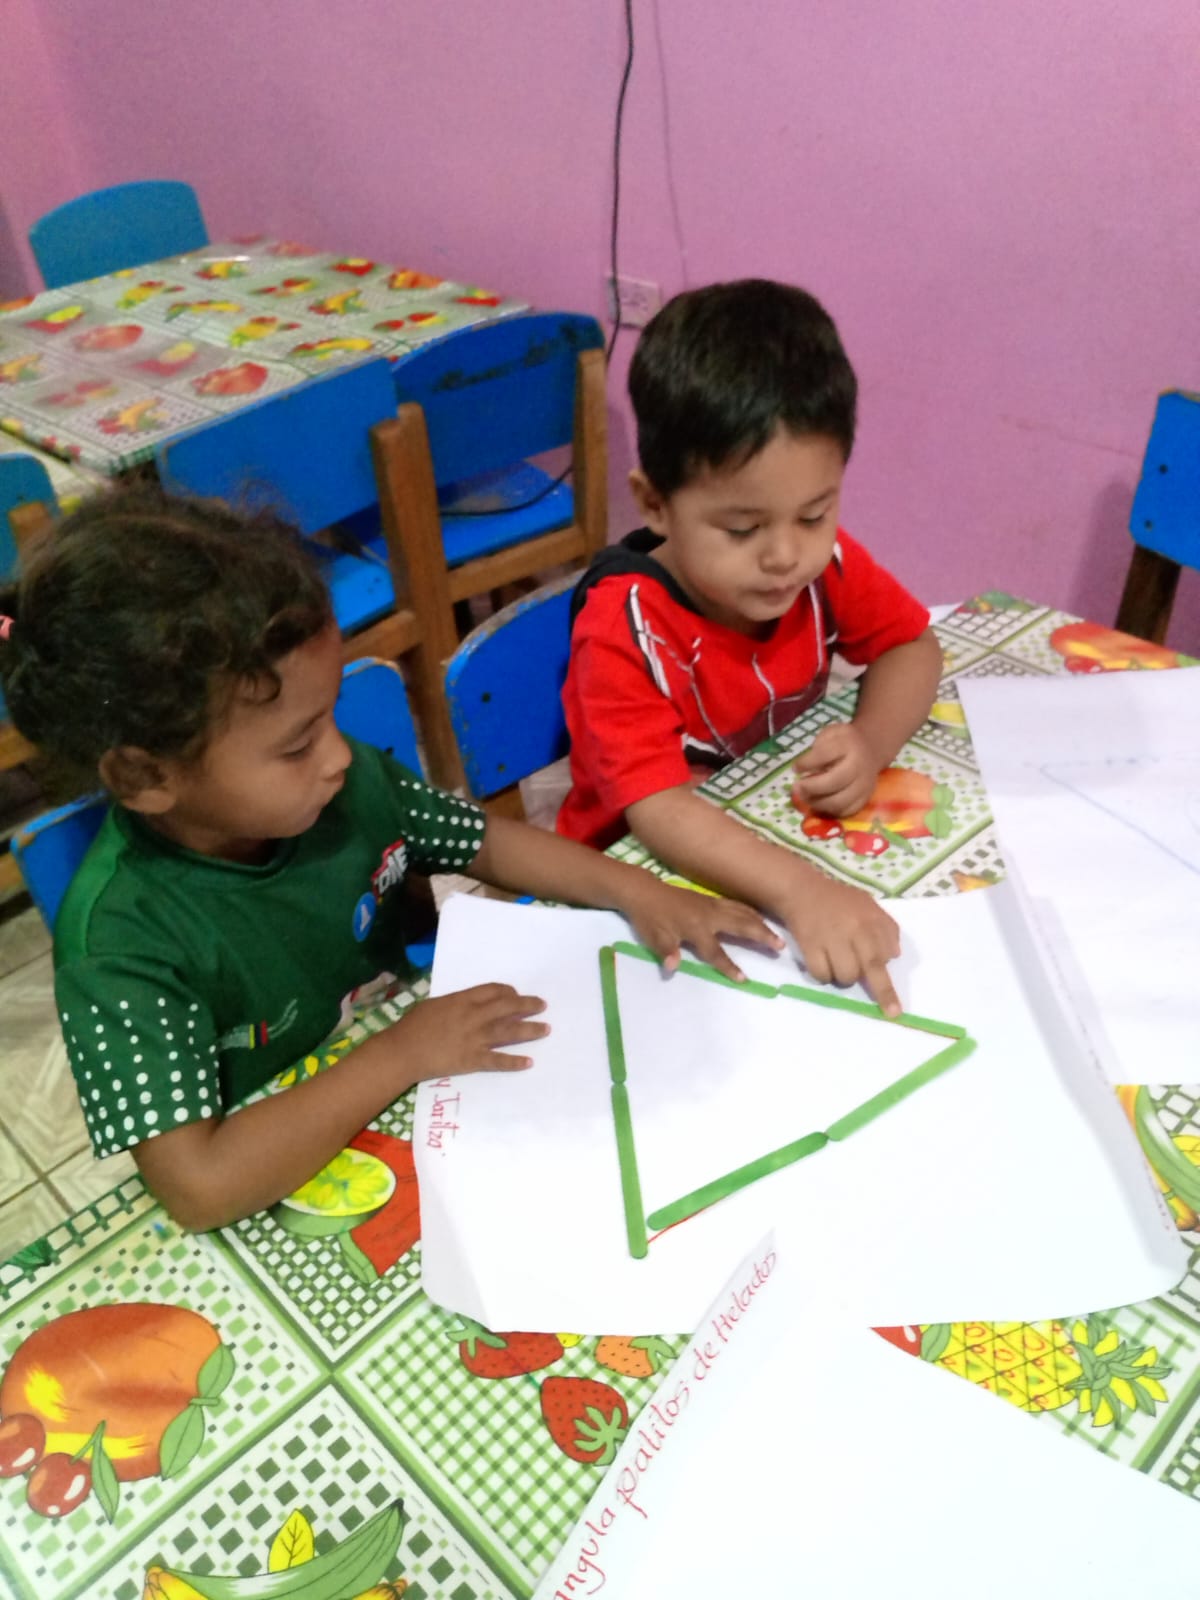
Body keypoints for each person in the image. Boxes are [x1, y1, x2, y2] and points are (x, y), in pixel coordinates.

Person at [0, 487, 783, 1232]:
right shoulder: (121, 945)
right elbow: (199, 1189)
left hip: (418, 1085)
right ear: (147, 778)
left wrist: (636, 889)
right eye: (297, 745)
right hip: (294, 1160)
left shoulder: (338, 786)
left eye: (330, 716)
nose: (340, 757)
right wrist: (403, 1052)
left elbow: (485, 841)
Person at [558, 279, 943, 1013]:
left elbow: (912, 646)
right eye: (743, 529)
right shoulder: (623, 626)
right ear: (655, 503)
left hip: (766, 830)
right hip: (629, 883)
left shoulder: (824, 565)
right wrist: (801, 891)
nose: (785, 556)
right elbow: (658, 810)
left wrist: (870, 742)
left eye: (814, 514)